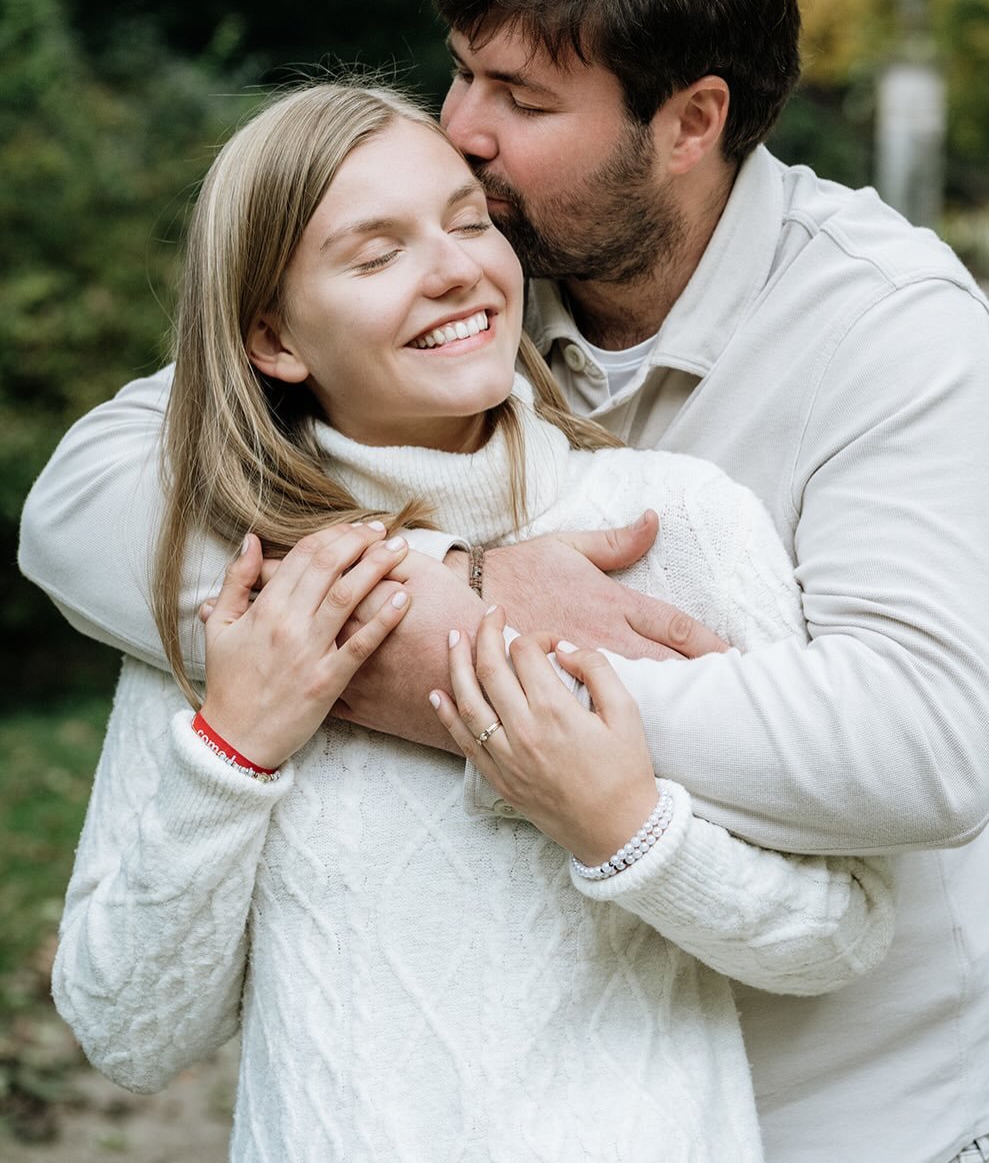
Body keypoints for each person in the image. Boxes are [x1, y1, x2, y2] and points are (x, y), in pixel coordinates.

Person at [19, 0, 989, 1163]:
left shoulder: (882, 324)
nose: (462, 130)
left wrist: (511, 697)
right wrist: (462, 591)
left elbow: (922, 744)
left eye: (522, 96)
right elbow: (85, 496)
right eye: (461, 70)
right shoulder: (477, 256)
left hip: (837, 1117)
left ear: (689, 122)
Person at [46, 81, 894, 1163]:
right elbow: (127, 1032)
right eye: (374, 253)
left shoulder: (676, 524)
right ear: (273, 337)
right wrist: (230, 753)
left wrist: (624, 827)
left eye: (464, 220)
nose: (454, 268)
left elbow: (843, 930)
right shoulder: (253, 588)